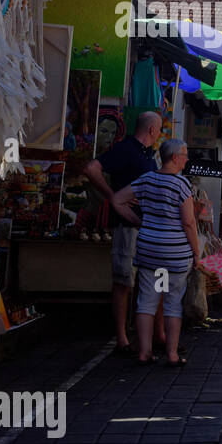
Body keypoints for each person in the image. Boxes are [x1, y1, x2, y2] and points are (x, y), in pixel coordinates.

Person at [111, 138, 206, 366]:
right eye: (184, 155)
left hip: (149, 250)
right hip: (175, 254)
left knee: (147, 301)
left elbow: (117, 200)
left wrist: (139, 222)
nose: (186, 159)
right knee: (173, 303)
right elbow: (189, 223)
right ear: (175, 157)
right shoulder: (181, 185)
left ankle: (144, 352)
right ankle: (172, 354)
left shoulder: (146, 179)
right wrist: (196, 253)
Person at [84, 111, 162, 357]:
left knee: (151, 281)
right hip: (127, 226)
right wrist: (112, 196)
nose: (159, 134)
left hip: (146, 225)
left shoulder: (148, 155)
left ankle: (152, 334)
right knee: (123, 280)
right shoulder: (126, 149)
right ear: (152, 130)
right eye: (159, 129)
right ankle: (121, 337)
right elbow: (91, 168)